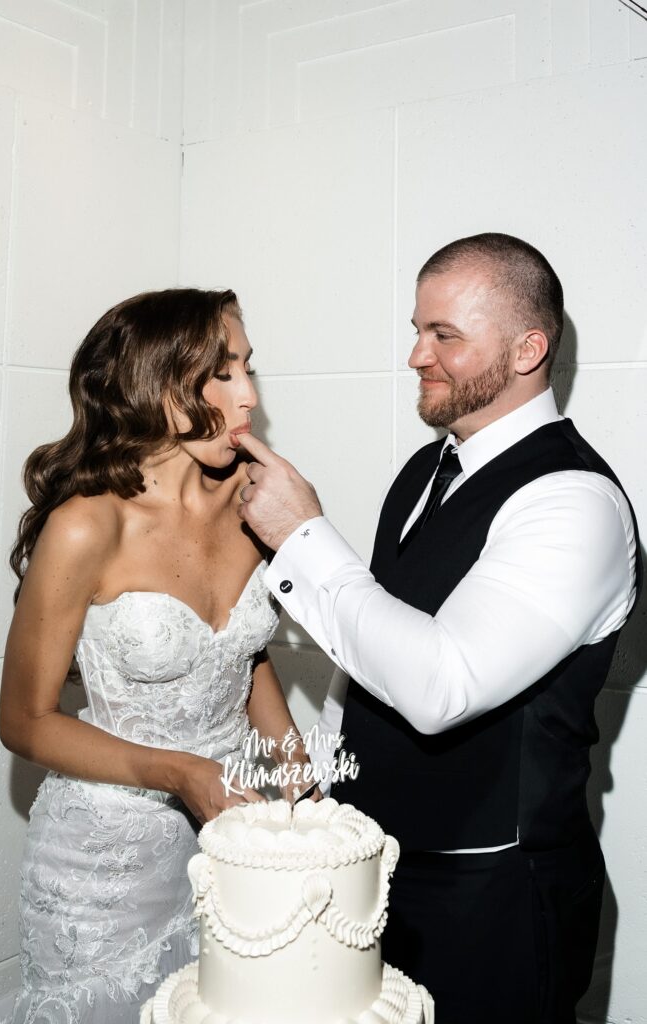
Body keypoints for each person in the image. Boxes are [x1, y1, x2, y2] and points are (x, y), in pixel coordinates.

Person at [236, 233, 641, 1024]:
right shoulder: (427, 469)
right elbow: (377, 654)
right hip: (383, 871)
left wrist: (303, 536)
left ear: (529, 348)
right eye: (417, 330)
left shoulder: (574, 503)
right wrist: (324, 783)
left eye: (444, 335)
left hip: (495, 899)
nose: (416, 355)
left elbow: (437, 686)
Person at [0, 288, 311, 1024]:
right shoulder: (85, 525)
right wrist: (176, 772)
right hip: (104, 867)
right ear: (157, 385)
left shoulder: (251, 505)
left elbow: (244, 655)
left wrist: (296, 772)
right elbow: (25, 722)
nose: (250, 397)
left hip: (232, 847)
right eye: (222, 373)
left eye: (248, 370)